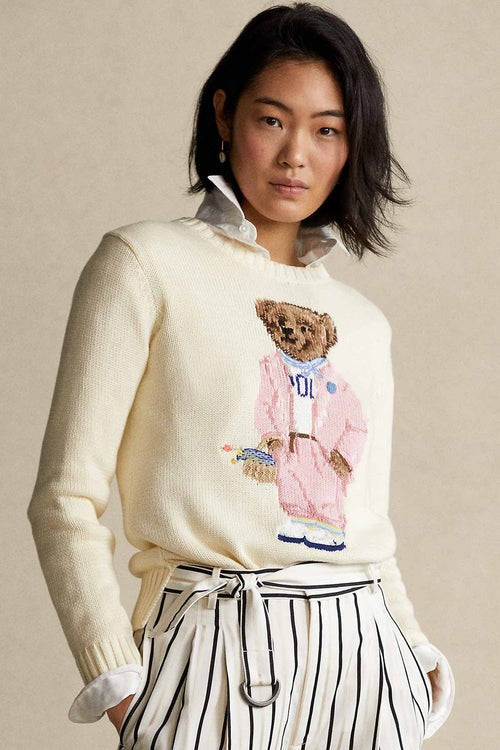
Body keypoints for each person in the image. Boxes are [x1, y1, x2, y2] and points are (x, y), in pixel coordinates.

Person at [27, 3, 455, 748]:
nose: (296, 155)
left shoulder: (361, 323)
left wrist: (414, 656)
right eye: (272, 120)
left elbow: (364, 528)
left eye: (327, 130)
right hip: (211, 643)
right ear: (225, 115)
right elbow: (64, 497)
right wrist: (119, 677)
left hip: (364, 656)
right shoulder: (143, 264)